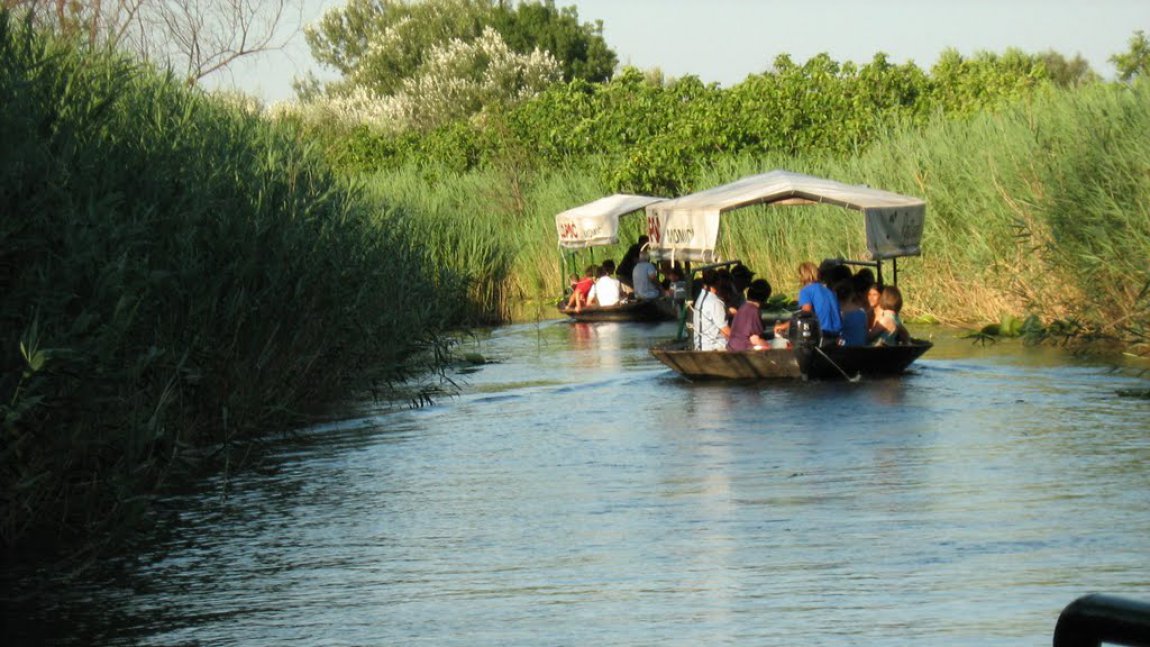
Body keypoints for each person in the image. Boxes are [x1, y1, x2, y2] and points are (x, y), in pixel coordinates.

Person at [773, 261, 842, 343]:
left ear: (802, 276)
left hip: (822, 335)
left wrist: (783, 326)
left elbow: (805, 315)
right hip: (837, 336)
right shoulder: (830, 291)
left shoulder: (806, 291)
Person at [728, 278, 773, 351]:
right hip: (742, 350)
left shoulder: (743, 307)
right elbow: (755, 339)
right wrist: (770, 346)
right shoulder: (753, 311)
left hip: (732, 347)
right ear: (764, 298)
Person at [693, 269, 730, 351]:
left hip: (700, 345)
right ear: (718, 282)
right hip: (713, 347)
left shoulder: (700, 298)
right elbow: (725, 331)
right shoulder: (715, 302)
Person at [836, 280, 868, 346]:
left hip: (843, 348)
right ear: (852, 295)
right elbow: (865, 333)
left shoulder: (836, 312)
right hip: (860, 348)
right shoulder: (862, 312)